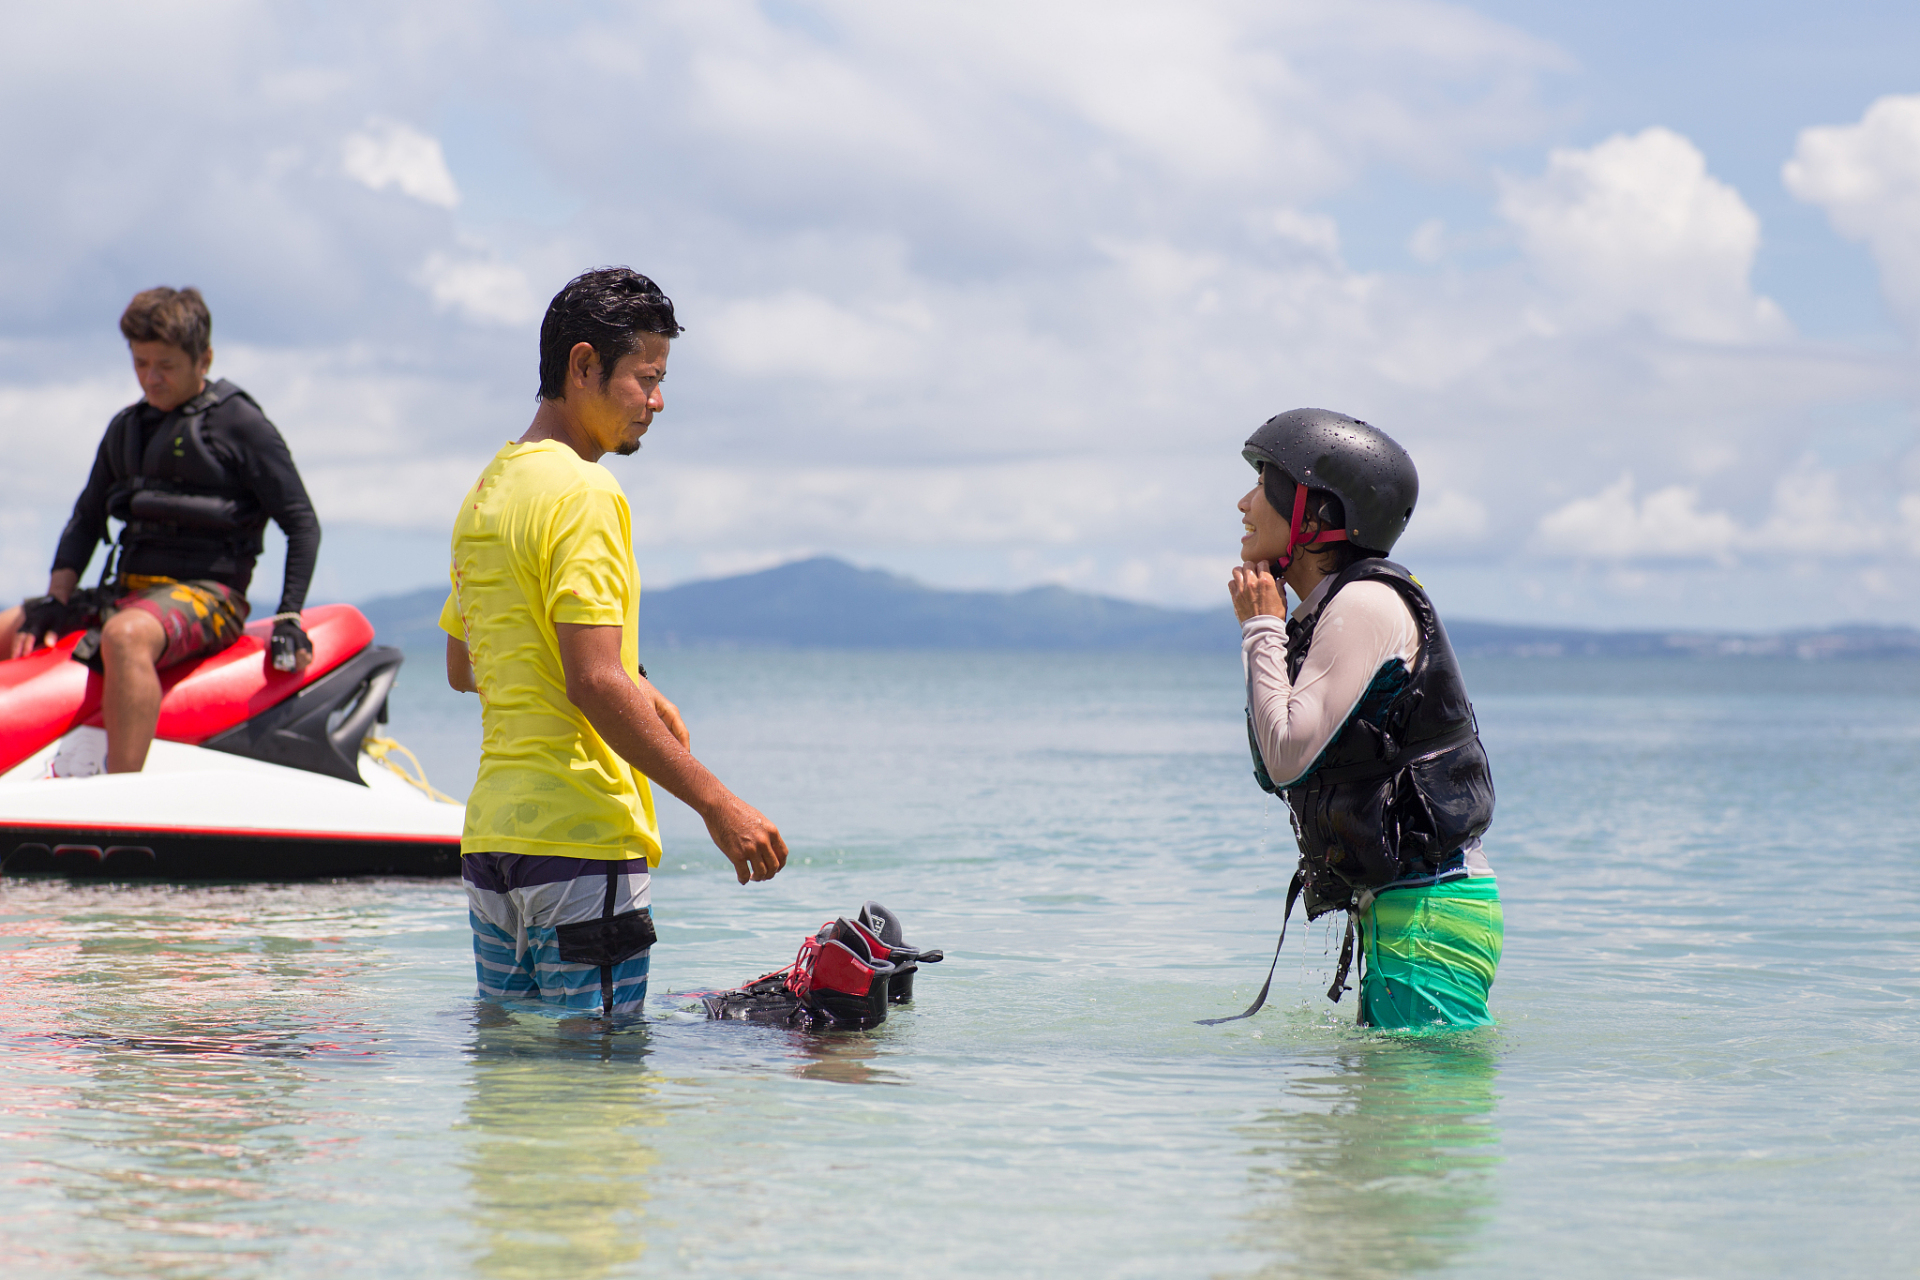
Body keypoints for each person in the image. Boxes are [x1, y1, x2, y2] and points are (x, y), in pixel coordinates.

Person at [440, 267, 788, 1020]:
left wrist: (632, 674)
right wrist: (717, 804)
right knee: (599, 1082)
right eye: (646, 378)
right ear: (584, 365)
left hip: (494, 851)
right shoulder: (587, 492)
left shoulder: (488, 493)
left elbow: (466, 666)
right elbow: (592, 682)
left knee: (518, 1080)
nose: (658, 401)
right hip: (582, 843)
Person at [1226, 408, 1501, 1029]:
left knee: (1421, 1115)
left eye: (1265, 483)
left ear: (1318, 513)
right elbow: (1281, 767)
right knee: (1389, 1121)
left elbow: (1286, 752)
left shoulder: (1365, 603)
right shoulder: (1328, 612)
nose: (1244, 502)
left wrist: (1262, 629)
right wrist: (1272, 628)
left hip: (1429, 913)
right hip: (1410, 909)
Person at [13, 286, 320, 774]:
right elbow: (86, 518)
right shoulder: (127, 428)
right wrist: (56, 599)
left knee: (125, 636)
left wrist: (289, 618)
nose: (151, 380)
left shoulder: (241, 424)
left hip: (209, 595)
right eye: (140, 364)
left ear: (205, 359)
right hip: (129, 592)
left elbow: (302, 524)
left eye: (166, 366)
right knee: (9, 626)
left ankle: (120, 800)